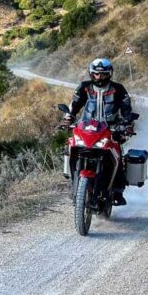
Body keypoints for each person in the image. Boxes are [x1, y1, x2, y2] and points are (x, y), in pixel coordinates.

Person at [61, 57, 136, 205]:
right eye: (95, 74)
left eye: (102, 74)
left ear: (109, 74)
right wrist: (68, 117)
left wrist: (127, 123)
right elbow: (73, 106)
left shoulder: (118, 89)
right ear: (91, 73)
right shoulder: (84, 87)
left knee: (118, 157)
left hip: (111, 130)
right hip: (87, 129)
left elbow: (127, 109)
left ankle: (117, 192)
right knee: (71, 148)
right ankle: (74, 183)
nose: (99, 77)